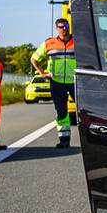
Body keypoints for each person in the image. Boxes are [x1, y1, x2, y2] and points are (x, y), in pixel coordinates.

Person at [31, 18, 77, 148]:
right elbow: (34, 59)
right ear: (56, 28)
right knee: (61, 112)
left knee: (83, 111)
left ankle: (90, 140)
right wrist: (41, 73)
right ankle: (64, 140)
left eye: (66, 26)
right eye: (61, 26)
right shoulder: (49, 43)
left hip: (75, 82)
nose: (64, 28)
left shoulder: (78, 41)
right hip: (56, 83)